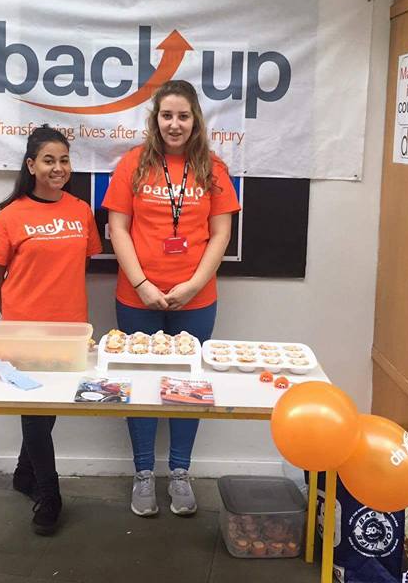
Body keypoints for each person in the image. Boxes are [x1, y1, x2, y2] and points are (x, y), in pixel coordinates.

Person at [102, 80, 240, 517]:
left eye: (183, 116)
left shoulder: (212, 169)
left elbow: (221, 233)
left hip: (196, 298)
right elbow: (117, 228)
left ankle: (179, 473)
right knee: (139, 388)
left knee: (188, 389)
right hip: (136, 295)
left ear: (195, 119)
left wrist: (194, 284)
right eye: (167, 116)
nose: (174, 124)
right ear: (155, 119)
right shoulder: (132, 165)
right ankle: (144, 474)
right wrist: (142, 283)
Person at [0, 125, 102, 535]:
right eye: (49, 160)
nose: (58, 168)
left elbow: (79, 265)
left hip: (69, 331)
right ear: (31, 165)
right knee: (36, 414)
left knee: (48, 410)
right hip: (25, 333)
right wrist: (16, 318)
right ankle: (49, 495)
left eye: (64, 160)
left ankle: (22, 473)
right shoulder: (11, 215)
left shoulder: (81, 211)